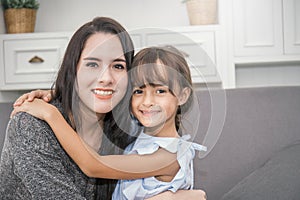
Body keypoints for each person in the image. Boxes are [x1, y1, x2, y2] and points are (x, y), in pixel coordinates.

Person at [1, 17, 206, 200]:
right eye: (92, 64)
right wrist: (57, 93)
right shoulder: (30, 128)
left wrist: (51, 113)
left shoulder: (130, 131)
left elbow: (93, 165)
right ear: (73, 70)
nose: (106, 78)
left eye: (118, 66)